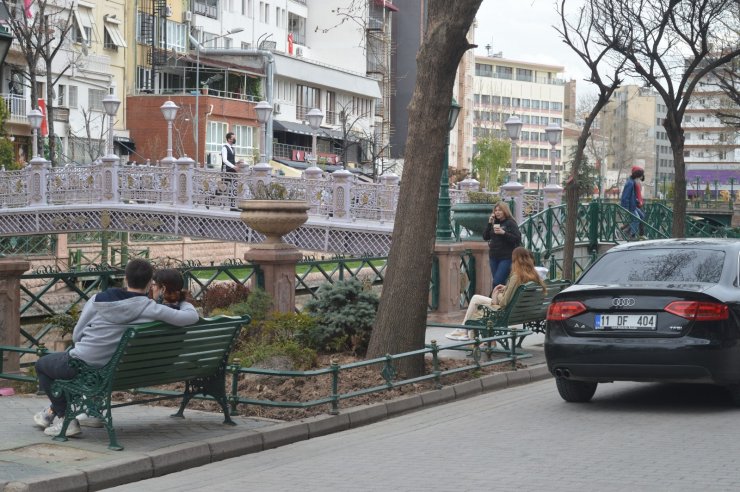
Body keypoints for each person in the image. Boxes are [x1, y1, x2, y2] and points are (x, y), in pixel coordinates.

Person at [33, 259, 199, 438]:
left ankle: (67, 419)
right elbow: (190, 317)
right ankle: (87, 411)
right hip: (121, 370)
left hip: (87, 366)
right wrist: (182, 298)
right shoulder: (151, 309)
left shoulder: (98, 300)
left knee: (42, 364)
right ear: (150, 283)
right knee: (76, 361)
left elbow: (77, 335)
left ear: (126, 279)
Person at [445, 247, 546, 341]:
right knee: (476, 303)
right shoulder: (533, 275)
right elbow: (517, 291)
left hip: (505, 312)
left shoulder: (516, 276)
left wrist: (495, 295)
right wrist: (507, 288)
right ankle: (465, 332)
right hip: (525, 312)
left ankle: (465, 332)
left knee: (475, 300)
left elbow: (504, 303)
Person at [482, 201, 521, 288]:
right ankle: (501, 300)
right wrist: (489, 223)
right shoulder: (495, 222)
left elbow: (517, 239)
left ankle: (494, 300)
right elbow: (485, 237)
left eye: (500, 210)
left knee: (497, 282)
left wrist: (504, 233)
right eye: (495, 210)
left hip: (506, 257)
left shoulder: (510, 223)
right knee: (500, 283)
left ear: (505, 211)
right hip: (493, 256)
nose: (497, 212)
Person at [620, 166, 646, 238]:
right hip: (630, 206)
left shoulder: (632, 182)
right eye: (640, 176)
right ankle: (631, 235)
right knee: (636, 219)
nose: (641, 178)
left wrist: (637, 202)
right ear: (637, 175)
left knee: (641, 216)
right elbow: (625, 196)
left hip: (633, 205)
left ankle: (628, 231)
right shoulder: (630, 183)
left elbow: (633, 196)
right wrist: (625, 207)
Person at [221, 132, 238, 209]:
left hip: (232, 171)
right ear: (229, 139)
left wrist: (237, 163)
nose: (235, 139)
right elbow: (224, 160)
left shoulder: (232, 148)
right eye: (233, 138)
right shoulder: (224, 148)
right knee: (223, 188)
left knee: (233, 187)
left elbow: (231, 160)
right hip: (226, 171)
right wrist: (234, 166)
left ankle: (232, 206)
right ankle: (209, 198)